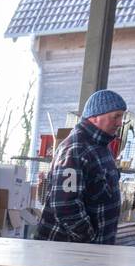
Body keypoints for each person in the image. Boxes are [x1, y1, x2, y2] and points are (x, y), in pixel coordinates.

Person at [35, 90, 127, 245]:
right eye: (116, 116)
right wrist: (89, 241)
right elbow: (65, 205)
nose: (120, 123)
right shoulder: (76, 149)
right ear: (95, 117)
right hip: (68, 252)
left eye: (121, 117)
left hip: (92, 250)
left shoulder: (101, 147)